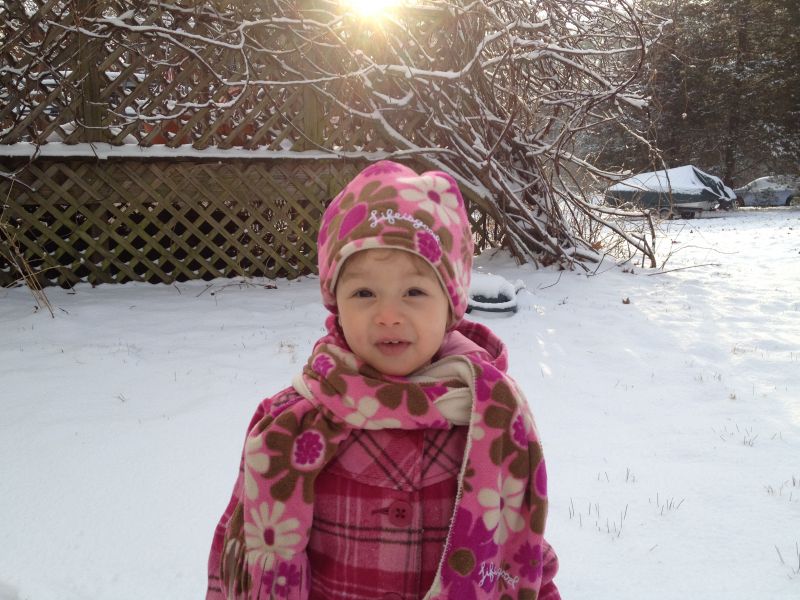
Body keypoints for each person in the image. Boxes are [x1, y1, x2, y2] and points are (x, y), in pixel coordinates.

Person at [207, 161, 559, 599]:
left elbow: (522, 550)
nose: (388, 315)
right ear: (336, 303)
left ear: (450, 305)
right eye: (364, 293)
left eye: (414, 292)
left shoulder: (492, 419)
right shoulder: (292, 426)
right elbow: (237, 556)